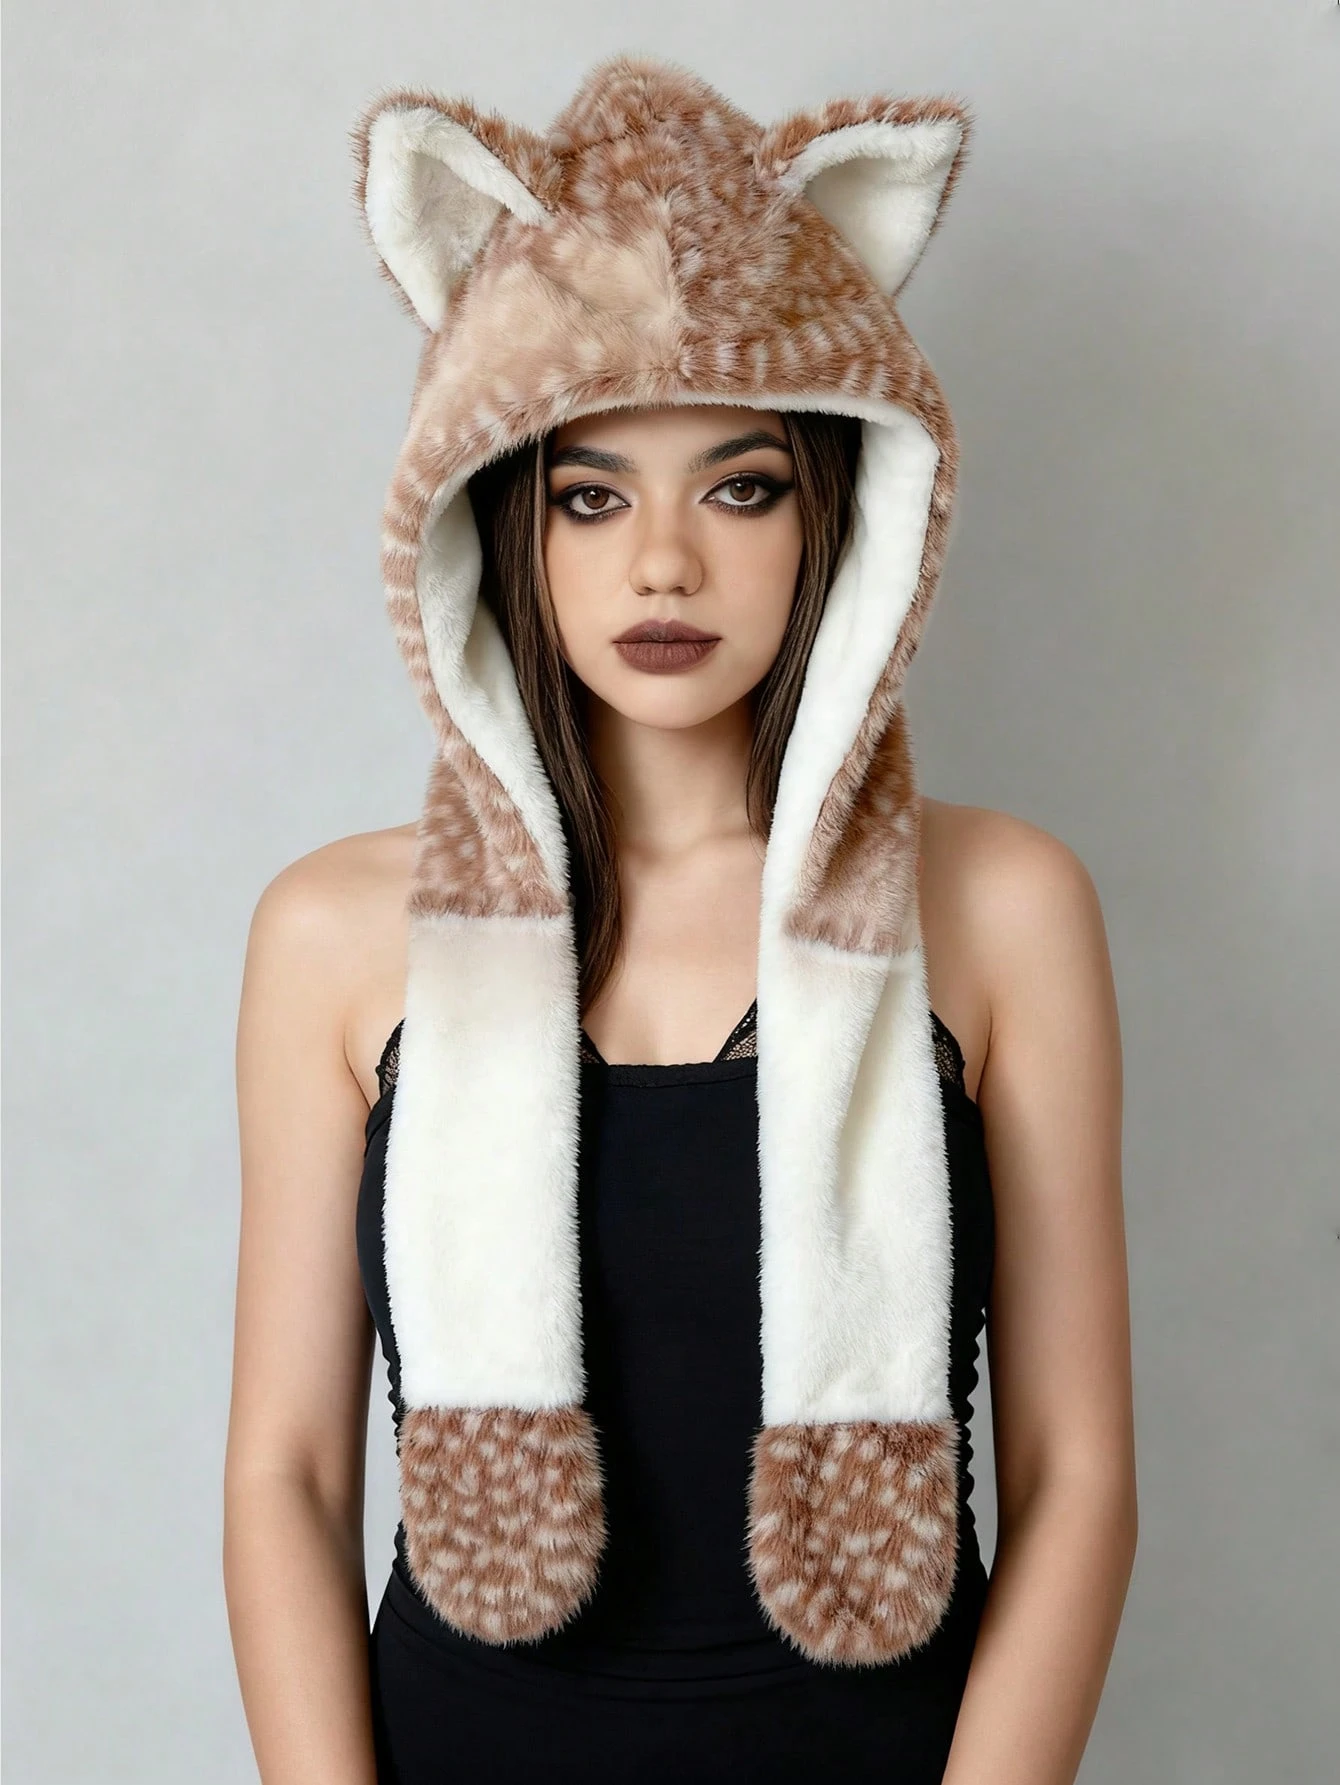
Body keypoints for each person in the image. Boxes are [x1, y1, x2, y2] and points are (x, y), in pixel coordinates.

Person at [223, 54, 1136, 1785]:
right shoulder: (332, 936)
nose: (662, 564)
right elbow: (289, 1472)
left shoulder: (1005, 909)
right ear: (499, 520)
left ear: (840, 511)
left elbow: (1077, 1474)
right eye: (591, 494)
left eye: (740, 485)